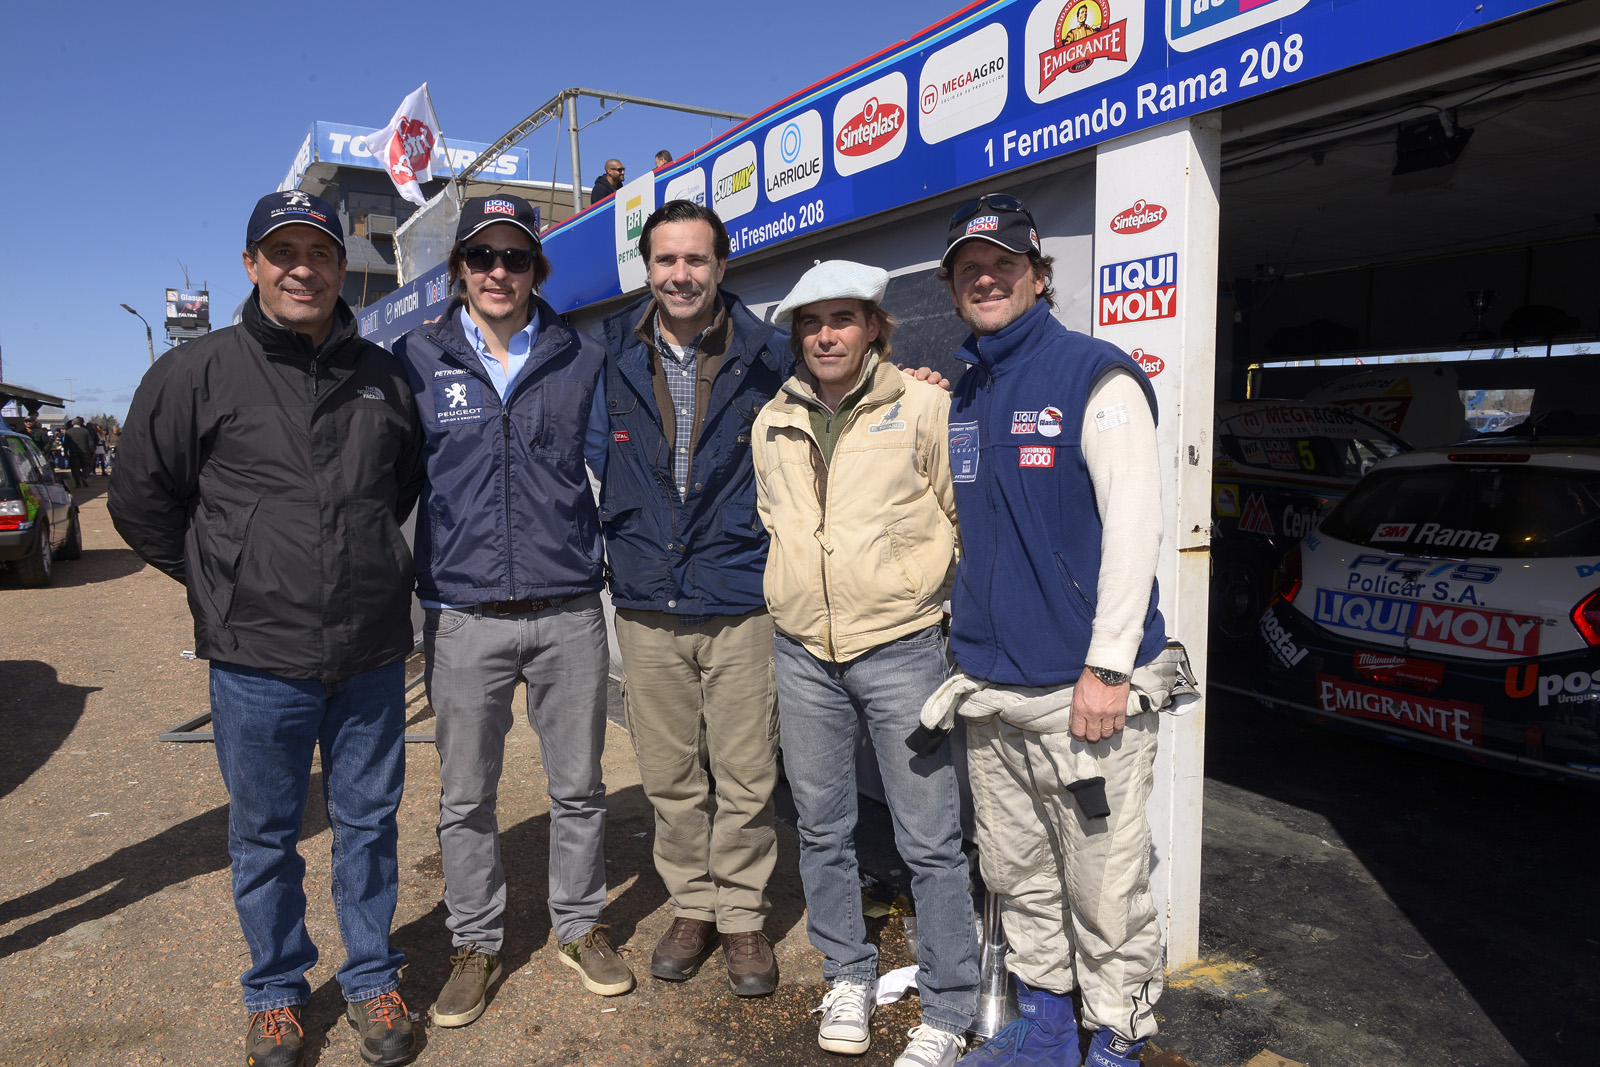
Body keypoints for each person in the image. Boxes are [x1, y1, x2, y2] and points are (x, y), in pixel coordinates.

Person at [109, 190, 425, 1067]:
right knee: (264, 835)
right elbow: (140, 501)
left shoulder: (384, 374)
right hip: (256, 659)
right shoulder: (194, 373)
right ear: (251, 265)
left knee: (368, 822)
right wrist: (224, 579)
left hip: (368, 654)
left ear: (339, 265)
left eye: (318, 253)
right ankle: (277, 991)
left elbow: (396, 491)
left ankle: (371, 977)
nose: (302, 269)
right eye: (281, 252)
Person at [921, 194, 1185, 1067]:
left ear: (1039, 275)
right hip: (995, 690)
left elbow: (1136, 526)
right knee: (1019, 874)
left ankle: (1115, 1038)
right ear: (954, 290)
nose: (985, 278)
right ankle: (1046, 1022)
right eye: (968, 269)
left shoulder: (1094, 376)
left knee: (1106, 887)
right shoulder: (965, 391)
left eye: (1002, 263)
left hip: (1084, 695)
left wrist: (1110, 667)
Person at [392, 195, 634, 1029]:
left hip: (568, 608)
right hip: (464, 615)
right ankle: (476, 941)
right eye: (484, 256)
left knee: (579, 786)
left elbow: (618, 467)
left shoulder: (582, 355)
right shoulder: (415, 358)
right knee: (466, 795)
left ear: (538, 268)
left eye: (517, 257)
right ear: (459, 266)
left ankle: (579, 924)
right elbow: (382, 486)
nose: (500, 271)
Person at [753, 261, 978, 1067]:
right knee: (822, 827)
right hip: (804, 653)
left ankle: (951, 1006)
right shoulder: (773, 420)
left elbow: (962, 514)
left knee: (931, 838)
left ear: (875, 327)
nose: (826, 334)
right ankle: (848, 971)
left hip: (903, 649)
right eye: (811, 322)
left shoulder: (925, 405)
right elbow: (776, 526)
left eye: (843, 318)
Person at [588, 199, 789, 997]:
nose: (681, 274)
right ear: (648, 268)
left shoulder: (773, 352)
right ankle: (692, 903)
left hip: (740, 595)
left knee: (744, 774)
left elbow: (846, 395)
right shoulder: (606, 357)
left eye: (696, 259)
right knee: (671, 774)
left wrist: (912, 377)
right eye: (666, 260)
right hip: (644, 598)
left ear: (722, 267)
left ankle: (741, 917)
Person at [63, 416, 93, 488]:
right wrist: (92, 451)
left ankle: (77, 482)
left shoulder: (69, 432)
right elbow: (91, 443)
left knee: (75, 467)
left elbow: (65, 444)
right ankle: (84, 476)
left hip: (73, 452)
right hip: (84, 451)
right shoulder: (85, 431)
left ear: (73, 423)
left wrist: (65, 452)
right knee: (86, 465)